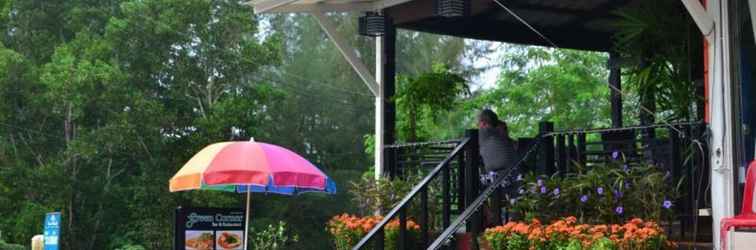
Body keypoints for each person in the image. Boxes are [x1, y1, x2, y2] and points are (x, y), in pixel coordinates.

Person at [477, 109, 519, 226]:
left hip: (504, 175)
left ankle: (493, 218)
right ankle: (496, 218)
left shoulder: (485, 132)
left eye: (479, 123)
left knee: (472, 185)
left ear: (483, 123)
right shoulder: (497, 134)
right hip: (508, 175)